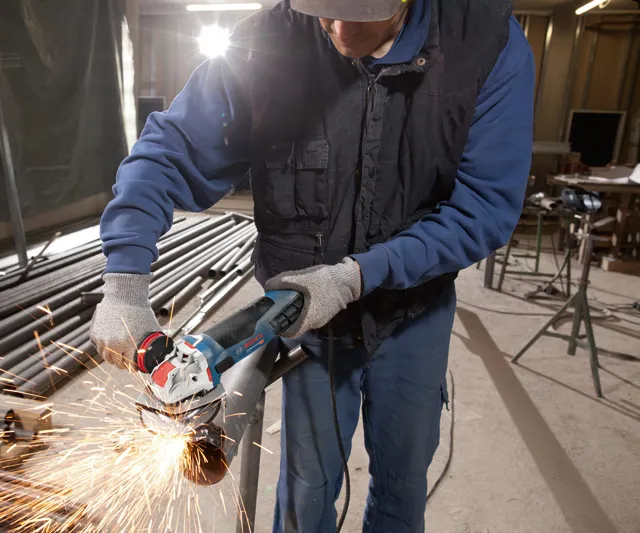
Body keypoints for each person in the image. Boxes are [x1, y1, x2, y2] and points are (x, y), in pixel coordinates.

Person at [90, 0, 534, 530]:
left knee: (403, 482)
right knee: (306, 488)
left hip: (414, 312)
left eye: (361, 11)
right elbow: (167, 151)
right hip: (308, 328)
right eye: (324, 10)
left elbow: (483, 209)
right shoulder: (268, 42)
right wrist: (123, 282)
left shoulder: (484, 44)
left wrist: (356, 276)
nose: (340, 30)